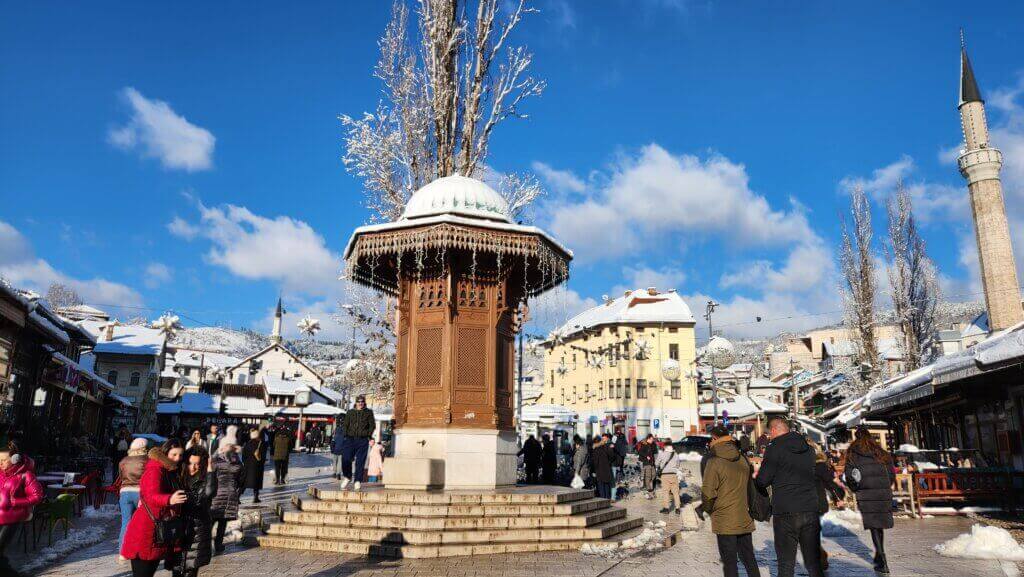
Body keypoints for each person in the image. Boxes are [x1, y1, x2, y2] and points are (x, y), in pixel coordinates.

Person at [754, 417, 823, 577]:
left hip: (786, 511)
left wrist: (757, 478)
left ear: (773, 430)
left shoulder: (775, 448)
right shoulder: (807, 447)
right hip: (810, 508)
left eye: (769, 434)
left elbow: (763, 480)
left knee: (786, 563)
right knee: (813, 562)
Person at [121, 439, 189, 577]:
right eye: (174, 454)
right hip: (147, 529)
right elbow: (151, 496)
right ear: (165, 453)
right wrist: (170, 499)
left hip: (157, 529)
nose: (177, 458)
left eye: (180, 455)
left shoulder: (169, 469)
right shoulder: (156, 469)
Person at [701, 426, 761, 577]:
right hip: (744, 516)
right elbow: (750, 488)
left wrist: (708, 509)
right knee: (749, 558)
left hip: (724, 519)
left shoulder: (713, 462)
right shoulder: (742, 459)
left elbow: (708, 493)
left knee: (730, 563)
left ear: (714, 439)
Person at [843, 427, 895, 574]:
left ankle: (882, 558)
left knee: (874, 525)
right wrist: (886, 486)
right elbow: (891, 474)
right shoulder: (881, 453)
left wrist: (855, 488)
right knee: (879, 525)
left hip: (866, 492)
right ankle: (880, 555)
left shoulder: (853, 453)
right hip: (882, 492)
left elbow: (849, 475)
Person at [0, 442, 43, 576]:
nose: (0, 463)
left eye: (3, 460)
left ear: (14, 459)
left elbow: (37, 496)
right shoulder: (1, 474)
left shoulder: (25, 475)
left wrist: (16, 502)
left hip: (12, 519)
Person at [169, 449, 213, 577]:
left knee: (190, 571)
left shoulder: (205, 478)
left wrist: (211, 471)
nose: (193, 467)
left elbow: (208, 494)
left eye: (197, 463)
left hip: (197, 531)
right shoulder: (179, 477)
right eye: (190, 463)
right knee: (176, 572)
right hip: (178, 531)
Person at [809, 439, 844, 571]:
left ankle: (820, 559)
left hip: (816, 503)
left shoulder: (819, 466)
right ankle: (819, 558)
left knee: (813, 534)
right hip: (806, 503)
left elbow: (829, 483)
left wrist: (837, 497)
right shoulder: (802, 465)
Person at [117, 437, 150, 563]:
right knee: (142, 522)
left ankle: (122, 552)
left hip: (125, 492)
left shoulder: (123, 461)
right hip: (140, 493)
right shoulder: (147, 460)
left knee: (126, 522)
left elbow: (120, 477)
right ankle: (139, 550)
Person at [209, 435, 243, 554]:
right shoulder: (238, 463)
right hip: (230, 495)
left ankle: (207, 545)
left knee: (211, 522)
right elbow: (241, 480)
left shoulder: (215, 461)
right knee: (222, 523)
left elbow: (210, 478)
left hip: (216, 495)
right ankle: (218, 545)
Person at [338, 395, 376, 491]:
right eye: (358, 401)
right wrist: (346, 435)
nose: (360, 403)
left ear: (364, 402)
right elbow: (345, 425)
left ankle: (357, 480)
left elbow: (372, 425)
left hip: (362, 440)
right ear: (355, 402)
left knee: (360, 461)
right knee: (345, 459)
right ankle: (347, 476)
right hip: (350, 439)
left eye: (362, 401)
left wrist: (368, 435)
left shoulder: (368, 412)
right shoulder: (350, 412)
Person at [655, 437, 681, 514]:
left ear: (665, 446)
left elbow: (656, 464)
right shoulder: (676, 454)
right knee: (676, 492)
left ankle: (666, 509)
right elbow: (678, 465)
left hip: (665, 475)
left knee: (665, 492)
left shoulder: (662, 454)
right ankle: (677, 509)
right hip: (673, 475)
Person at [241, 429, 265, 503]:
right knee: (256, 483)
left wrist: (245, 463)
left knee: (244, 483)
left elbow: (243, 456)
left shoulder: (247, 444)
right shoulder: (260, 443)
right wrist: (261, 463)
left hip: (248, 466)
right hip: (257, 466)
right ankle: (255, 497)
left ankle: (238, 496)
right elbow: (263, 456)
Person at [590, 434, 615, 499]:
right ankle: (607, 500)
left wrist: (593, 471)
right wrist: (608, 463)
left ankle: (603, 500)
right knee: (607, 486)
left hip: (599, 471)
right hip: (607, 470)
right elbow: (612, 457)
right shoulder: (606, 447)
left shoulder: (595, 450)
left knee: (601, 486)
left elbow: (594, 462)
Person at [637, 434, 659, 498]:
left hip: (652, 463)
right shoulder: (644, 444)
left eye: (653, 439)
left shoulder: (652, 444)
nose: (652, 440)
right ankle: (648, 490)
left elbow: (655, 452)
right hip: (646, 463)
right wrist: (646, 456)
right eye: (651, 439)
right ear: (648, 439)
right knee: (648, 476)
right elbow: (640, 452)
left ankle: (649, 487)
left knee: (654, 475)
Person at [610, 429, 628, 500]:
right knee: (620, 466)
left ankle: (619, 476)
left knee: (618, 467)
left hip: (618, 455)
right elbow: (626, 443)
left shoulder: (615, 437)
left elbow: (613, 445)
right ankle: (620, 474)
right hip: (621, 454)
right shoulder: (623, 437)